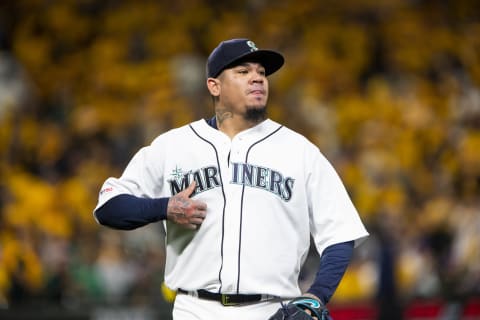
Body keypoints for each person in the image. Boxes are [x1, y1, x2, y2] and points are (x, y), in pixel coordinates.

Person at [93, 38, 369, 320]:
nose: (257, 79)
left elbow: (341, 233)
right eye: (243, 72)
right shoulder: (173, 146)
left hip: (272, 310)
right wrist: (163, 208)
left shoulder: (300, 151)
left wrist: (317, 295)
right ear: (214, 86)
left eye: (261, 73)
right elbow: (108, 207)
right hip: (194, 308)